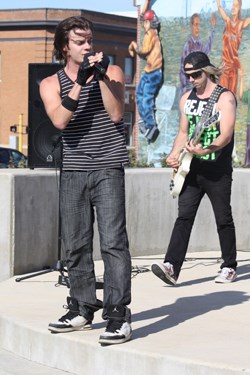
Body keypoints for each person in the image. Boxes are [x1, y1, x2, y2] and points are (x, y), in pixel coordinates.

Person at [39, 16, 132, 345]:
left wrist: (103, 76)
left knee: (113, 243)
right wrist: (80, 82)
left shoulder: (114, 72)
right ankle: (82, 307)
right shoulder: (51, 83)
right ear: (66, 46)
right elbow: (61, 120)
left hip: (108, 166)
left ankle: (118, 314)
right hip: (74, 171)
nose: (88, 46)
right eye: (81, 41)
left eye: (90, 40)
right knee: (75, 244)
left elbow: (117, 114)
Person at [151, 51, 237, 285]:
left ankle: (229, 266)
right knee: (184, 217)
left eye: (196, 74)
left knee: (223, 218)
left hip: (217, 170)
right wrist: (173, 155)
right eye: (187, 75)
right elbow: (183, 132)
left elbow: (226, 136)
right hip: (191, 169)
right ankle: (171, 266)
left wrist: (206, 150)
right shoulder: (186, 98)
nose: (191, 79)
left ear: (207, 71)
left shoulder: (224, 99)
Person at [128, 0, 163, 143]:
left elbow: (144, 50)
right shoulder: (151, 33)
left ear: (148, 23)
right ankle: (145, 122)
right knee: (138, 96)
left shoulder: (151, 34)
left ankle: (151, 126)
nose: (143, 24)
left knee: (146, 99)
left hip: (154, 73)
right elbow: (143, 13)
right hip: (149, 71)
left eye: (144, 22)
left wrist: (134, 45)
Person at [216, 0, 250, 96]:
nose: (233, 7)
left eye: (236, 5)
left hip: (234, 68)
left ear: (239, 8)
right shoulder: (227, 21)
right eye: (232, 5)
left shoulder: (241, 24)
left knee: (231, 98)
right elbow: (219, 7)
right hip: (225, 67)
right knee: (222, 96)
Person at [180, 13, 216, 94]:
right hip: (190, 87)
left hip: (199, 87)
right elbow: (183, 69)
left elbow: (208, 49)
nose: (197, 28)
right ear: (191, 26)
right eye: (195, 24)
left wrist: (212, 29)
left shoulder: (200, 44)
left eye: (199, 25)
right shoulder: (188, 46)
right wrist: (185, 89)